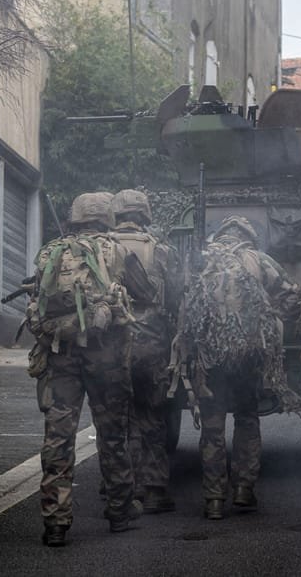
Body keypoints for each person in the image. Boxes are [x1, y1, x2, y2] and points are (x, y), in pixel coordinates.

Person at [26, 192, 140, 547]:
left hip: (61, 354)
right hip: (106, 357)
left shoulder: (51, 251)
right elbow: (143, 292)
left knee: (58, 438)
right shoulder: (116, 250)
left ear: (75, 218)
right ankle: (120, 511)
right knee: (112, 435)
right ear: (107, 218)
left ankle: (56, 522)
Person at [175, 215, 300, 521]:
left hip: (210, 359)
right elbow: (291, 297)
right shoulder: (258, 260)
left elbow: (180, 300)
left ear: (221, 235)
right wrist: (271, 320)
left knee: (213, 428)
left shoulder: (202, 260)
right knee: (247, 419)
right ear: (247, 236)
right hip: (248, 355)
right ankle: (244, 489)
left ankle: (214, 499)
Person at [109, 189, 181, 515]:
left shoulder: (99, 249)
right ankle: (154, 491)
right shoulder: (162, 251)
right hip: (152, 348)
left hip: (110, 348)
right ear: (145, 214)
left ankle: (126, 490)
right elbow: (179, 297)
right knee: (154, 418)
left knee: (120, 420)